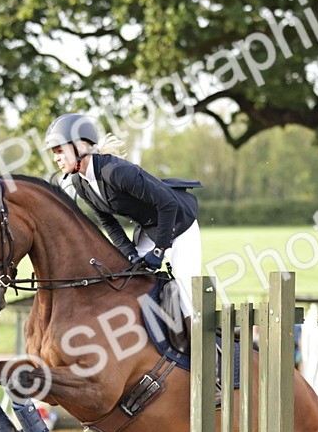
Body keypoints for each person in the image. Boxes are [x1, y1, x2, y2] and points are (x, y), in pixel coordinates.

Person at [44, 113, 203, 317]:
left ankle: (204, 344)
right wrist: (130, 253)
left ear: (81, 147)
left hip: (179, 223)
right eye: (54, 153)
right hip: (148, 228)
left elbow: (168, 204)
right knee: (127, 277)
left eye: (60, 151)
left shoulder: (115, 171)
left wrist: (160, 250)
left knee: (186, 295)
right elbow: (108, 223)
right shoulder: (80, 182)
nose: (56, 158)